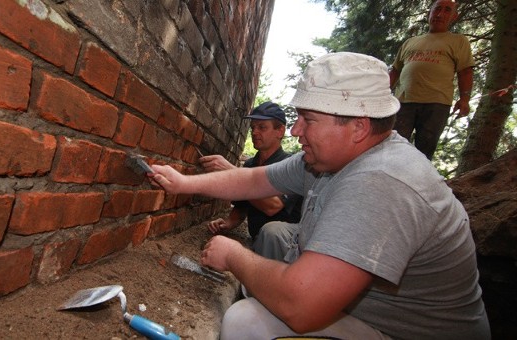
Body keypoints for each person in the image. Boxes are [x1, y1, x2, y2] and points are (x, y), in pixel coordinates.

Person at [150, 52, 489, 339]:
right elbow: (255, 180)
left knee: (246, 322)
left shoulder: (382, 182)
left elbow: (301, 307)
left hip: (402, 333)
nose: (296, 130)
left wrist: (234, 256)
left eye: (307, 120)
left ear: (358, 127)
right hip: (365, 316)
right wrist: (184, 183)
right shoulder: (330, 158)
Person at [199, 102, 302, 246]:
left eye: (262, 127)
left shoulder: (291, 165)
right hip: (257, 240)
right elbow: (242, 206)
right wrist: (228, 223)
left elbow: (273, 206)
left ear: (280, 131)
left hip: (282, 246)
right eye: (253, 127)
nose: (254, 132)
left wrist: (233, 172)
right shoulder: (250, 165)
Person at [389, 0, 474, 160]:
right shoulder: (410, 42)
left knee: (424, 151)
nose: (440, 14)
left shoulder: (459, 41)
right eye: (437, 9)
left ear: (454, 17)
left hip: (436, 104)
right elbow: (395, 70)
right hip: (403, 102)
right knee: (394, 145)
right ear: (429, 13)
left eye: (447, 10)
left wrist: (465, 99)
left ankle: (418, 182)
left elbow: (465, 72)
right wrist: (381, 92)